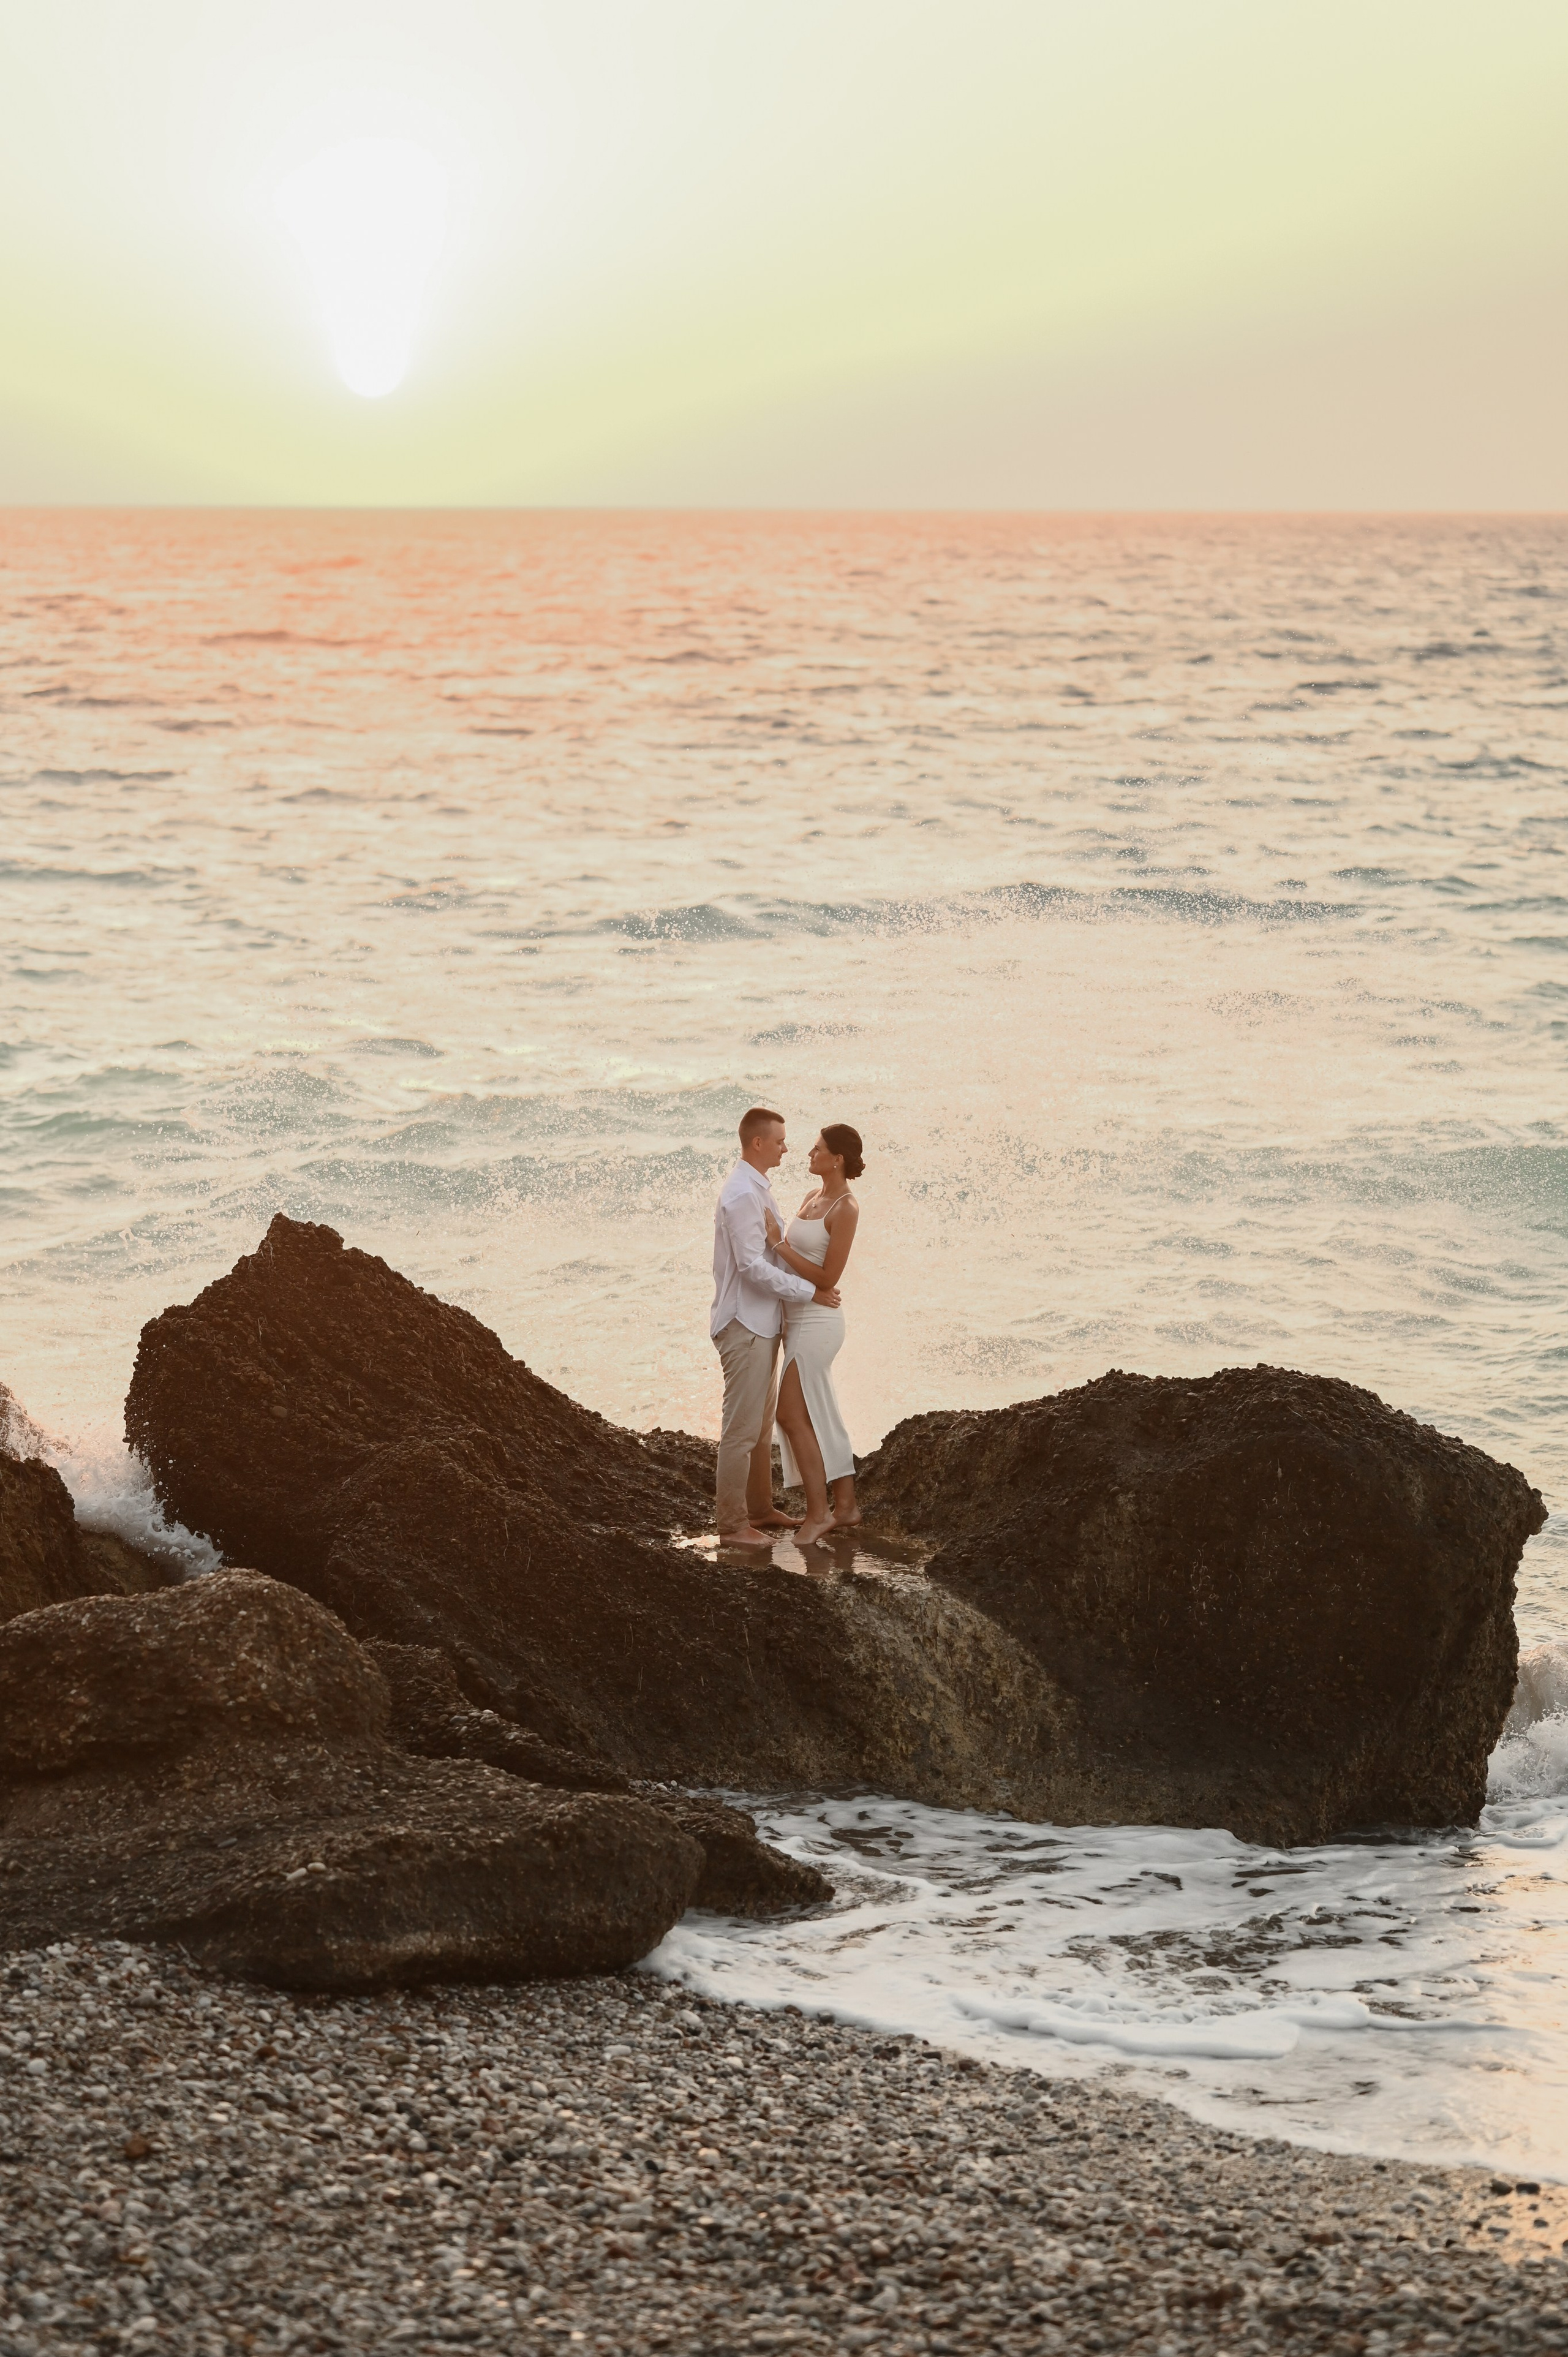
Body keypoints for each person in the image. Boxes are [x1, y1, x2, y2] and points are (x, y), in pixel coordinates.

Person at [710, 1107, 841, 1547]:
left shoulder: (757, 1188)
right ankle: (731, 1526)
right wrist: (809, 1292)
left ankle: (761, 1509)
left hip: (762, 1323)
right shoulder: (742, 1195)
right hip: (744, 1323)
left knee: (761, 1428)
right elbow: (750, 1267)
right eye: (781, 1140)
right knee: (741, 1431)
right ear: (758, 1143)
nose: (788, 1146)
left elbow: (769, 1253)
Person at [763, 1123, 864, 1548]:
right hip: (798, 1319)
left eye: (818, 1148)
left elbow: (829, 1277)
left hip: (820, 1325)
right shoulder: (810, 1198)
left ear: (837, 1157)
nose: (809, 1152)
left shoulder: (846, 1208)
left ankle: (820, 1513)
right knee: (821, 1413)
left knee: (788, 1415)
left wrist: (780, 1247)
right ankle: (847, 1508)